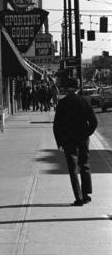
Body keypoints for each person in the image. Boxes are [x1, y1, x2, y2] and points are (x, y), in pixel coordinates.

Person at [53, 77, 98, 206]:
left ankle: (78, 198)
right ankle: (86, 194)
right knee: (84, 165)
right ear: (78, 88)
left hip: (68, 140)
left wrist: (59, 141)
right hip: (82, 138)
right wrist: (86, 134)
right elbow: (94, 122)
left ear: (68, 88)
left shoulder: (63, 103)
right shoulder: (84, 101)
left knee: (73, 169)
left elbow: (57, 125)